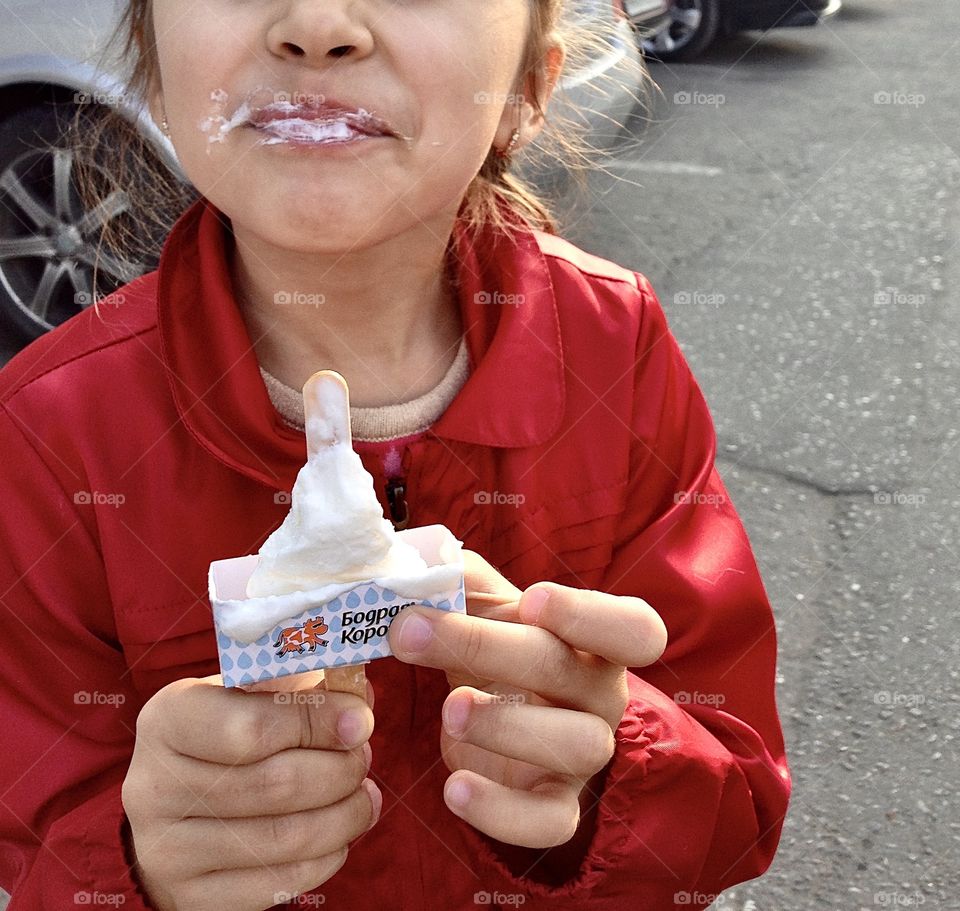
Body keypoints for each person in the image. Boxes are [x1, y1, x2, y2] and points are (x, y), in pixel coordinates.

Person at [0, 0, 790, 908]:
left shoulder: (616, 349)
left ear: (527, 89)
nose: (318, 25)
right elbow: (33, 841)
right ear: (155, 75)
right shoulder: (49, 434)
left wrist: (615, 752)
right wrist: (143, 868)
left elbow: (738, 799)